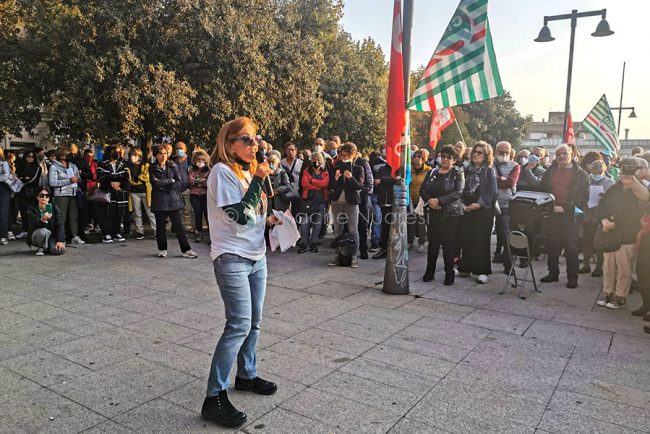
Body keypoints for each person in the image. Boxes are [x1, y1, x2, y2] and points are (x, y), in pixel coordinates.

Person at [203, 117, 280, 428]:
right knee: (238, 325)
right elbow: (238, 216)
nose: (254, 145)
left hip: (256, 256)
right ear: (229, 143)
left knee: (255, 323)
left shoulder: (248, 172)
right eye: (246, 139)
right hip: (231, 257)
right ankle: (213, 396)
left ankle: (246, 375)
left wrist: (270, 220)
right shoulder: (221, 172)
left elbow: (255, 214)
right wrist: (260, 179)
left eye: (256, 138)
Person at [596, 157, 649, 309]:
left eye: (628, 169)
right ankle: (608, 294)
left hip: (627, 233)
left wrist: (633, 182)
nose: (623, 173)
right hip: (610, 233)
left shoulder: (641, 188)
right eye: (622, 169)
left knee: (624, 268)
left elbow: (644, 200)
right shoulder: (615, 187)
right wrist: (604, 219)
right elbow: (603, 204)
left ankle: (620, 297)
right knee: (608, 267)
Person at [539, 144, 589, 288]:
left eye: (564, 154)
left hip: (570, 216)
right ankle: (553, 273)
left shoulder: (581, 174)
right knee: (551, 245)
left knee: (571, 248)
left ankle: (572, 277)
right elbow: (542, 190)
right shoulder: (550, 171)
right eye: (558, 154)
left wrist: (565, 208)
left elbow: (583, 197)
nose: (561, 156)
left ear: (571, 154)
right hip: (551, 214)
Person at [420, 144, 465, 285]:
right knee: (433, 243)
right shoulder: (432, 172)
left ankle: (449, 273)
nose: (445, 159)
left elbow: (458, 192)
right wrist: (430, 201)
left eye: (449, 157)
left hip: (450, 214)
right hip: (433, 212)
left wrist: (439, 200)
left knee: (448, 244)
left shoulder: (458, 172)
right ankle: (429, 272)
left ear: (454, 159)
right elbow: (423, 190)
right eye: (443, 156)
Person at [457, 142, 498, 284]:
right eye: (474, 152)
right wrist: (462, 204)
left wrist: (478, 204)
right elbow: (460, 187)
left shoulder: (489, 171)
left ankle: (483, 271)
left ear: (486, 156)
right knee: (466, 238)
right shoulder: (466, 169)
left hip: (482, 210)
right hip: (466, 207)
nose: (476, 154)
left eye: (480, 152)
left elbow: (492, 192)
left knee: (481, 241)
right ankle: (465, 267)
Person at [148, 145, 197, 258]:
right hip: (160, 201)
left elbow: (179, 181)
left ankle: (186, 250)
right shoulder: (152, 167)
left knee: (179, 226)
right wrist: (170, 180)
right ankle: (162, 249)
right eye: (160, 153)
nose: (163, 156)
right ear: (156, 155)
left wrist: (168, 185)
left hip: (173, 199)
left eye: (165, 153)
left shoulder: (172, 165)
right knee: (160, 227)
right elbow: (155, 183)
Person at [328, 142, 365, 268]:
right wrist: (336, 178)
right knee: (337, 229)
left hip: (351, 203)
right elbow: (331, 186)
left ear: (353, 155)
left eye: (346, 156)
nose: (343, 158)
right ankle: (337, 255)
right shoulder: (336, 166)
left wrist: (350, 178)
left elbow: (360, 186)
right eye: (342, 155)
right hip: (337, 202)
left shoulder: (358, 168)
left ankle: (353, 257)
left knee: (353, 230)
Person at [578, 160, 615, 276]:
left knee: (600, 242)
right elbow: (579, 194)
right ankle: (586, 265)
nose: (596, 173)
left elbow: (615, 200)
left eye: (599, 171)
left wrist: (606, 197)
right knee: (586, 241)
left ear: (603, 170)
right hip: (587, 214)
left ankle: (599, 267)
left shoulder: (610, 182)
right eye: (594, 171)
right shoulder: (586, 180)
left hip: (602, 216)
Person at [493, 141, 520, 273]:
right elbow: (489, 181)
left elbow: (510, 182)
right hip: (489, 205)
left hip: (505, 206)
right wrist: (501, 179)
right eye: (501, 152)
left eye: (506, 152)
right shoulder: (490, 164)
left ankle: (508, 265)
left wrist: (499, 179)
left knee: (505, 235)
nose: (504, 155)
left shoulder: (515, 166)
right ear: (495, 152)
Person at [48, 148, 84, 244]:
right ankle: (61, 238)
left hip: (73, 193)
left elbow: (78, 178)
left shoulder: (72, 165)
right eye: (63, 153)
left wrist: (78, 178)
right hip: (61, 194)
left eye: (67, 153)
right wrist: (69, 181)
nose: (65, 155)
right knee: (61, 217)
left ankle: (74, 236)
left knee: (73, 216)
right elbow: (52, 183)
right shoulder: (53, 167)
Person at [297, 152, 329, 253]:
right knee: (305, 224)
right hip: (307, 201)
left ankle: (313, 243)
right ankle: (303, 244)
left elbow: (325, 183)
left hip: (320, 201)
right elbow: (304, 184)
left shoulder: (325, 172)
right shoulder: (306, 171)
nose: (317, 162)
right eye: (314, 159)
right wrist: (317, 185)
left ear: (322, 161)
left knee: (318, 224)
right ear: (311, 161)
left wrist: (312, 181)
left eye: (319, 160)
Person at [97, 145, 129, 243]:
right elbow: (101, 177)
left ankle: (116, 232)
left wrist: (119, 183)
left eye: (117, 152)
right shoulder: (102, 164)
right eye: (113, 152)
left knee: (118, 213)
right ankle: (106, 233)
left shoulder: (122, 164)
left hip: (118, 192)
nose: (115, 154)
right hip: (107, 192)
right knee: (106, 213)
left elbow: (126, 177)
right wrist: (110, 183)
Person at [126, 148, 155, 240]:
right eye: (131, 154)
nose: (133, 157)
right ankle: (139, 232)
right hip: (134, 192)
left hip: (145, 192)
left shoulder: (145, 165)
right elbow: (130, 180)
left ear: (140, 156)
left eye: (135, 155)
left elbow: (146, 178)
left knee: (150, 212)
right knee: (137, 214)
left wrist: (138, 178)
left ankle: (156, 231)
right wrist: (139, 178)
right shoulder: (128, 166)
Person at [26, 188, 66, 256]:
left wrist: (60, 240)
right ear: (37, 197)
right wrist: (42, 220)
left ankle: (46, 247)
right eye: (41, 195)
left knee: (58, 250)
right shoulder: (31, 209)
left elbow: (59, 224)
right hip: (37, 235)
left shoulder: (54, 207)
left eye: (47, 196)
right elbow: (33, 225)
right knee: (43, 231)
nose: (44, 197)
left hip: (51, 235)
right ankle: (42, 247)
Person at [15, 150, 42, 239]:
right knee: (23, 211)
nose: (30, 158)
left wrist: (23, 178)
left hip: (31, 192)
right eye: (28, 156)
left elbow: (31, 179)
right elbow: (18, 176)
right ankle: (25, 230)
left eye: (32, 156)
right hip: (21, 192)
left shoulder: (37, 167)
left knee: (31, 211)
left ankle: (32, 230)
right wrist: (23, 177)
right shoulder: (20, 166)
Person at [407, 150, 431, 253]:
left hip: (422, 200)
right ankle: (410, 242)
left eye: (419, 157)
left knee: (421, 222)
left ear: (423, 159)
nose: (416, 159)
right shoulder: (409, 170)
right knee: (411, 221)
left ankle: (421, 243)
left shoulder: (428, 170)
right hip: (411, 199)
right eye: (415, 157)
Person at [353, 145, 373, 259]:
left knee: (363, 224)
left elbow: (369, 181)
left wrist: (366, 194)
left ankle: (363, 249)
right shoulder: (344, 163)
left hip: (362, 198)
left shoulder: (363, 162)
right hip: (350, 198)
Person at [188, 149, 210, 242]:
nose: (200, 162)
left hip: (205, 195)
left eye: (202, 160)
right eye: (198, 160)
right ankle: (199, 233)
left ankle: (211, 235)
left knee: (207, 215)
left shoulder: (209, 169)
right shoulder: (191, 169)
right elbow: (190, 181)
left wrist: (198, 181)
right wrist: (201, 181)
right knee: (197, 213)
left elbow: (209, 183)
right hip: (195, 195)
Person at [174, 141, 194, 234]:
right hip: (176, 190)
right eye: (177, 148)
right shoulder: (173, 161)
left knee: (190, 210)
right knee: (179, 211)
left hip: (188, 189)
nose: (179, 150)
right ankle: (182, 230)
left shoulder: (190, 160)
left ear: (185, 149)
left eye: (181, 148)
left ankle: (194, 228)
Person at [280, 142, 303, 215]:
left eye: (293, 150)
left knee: (296, 212)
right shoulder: (281, 163)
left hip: (297, 192)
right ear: (285, 151)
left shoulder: (301, 163)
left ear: (296, 151)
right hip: (285, 192)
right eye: (288, 150)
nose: (290, 152)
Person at [0, 148, 13, 245]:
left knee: (3, 214)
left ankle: (3, 236)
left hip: (3, 191)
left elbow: (6, 176)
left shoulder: (3, 163)